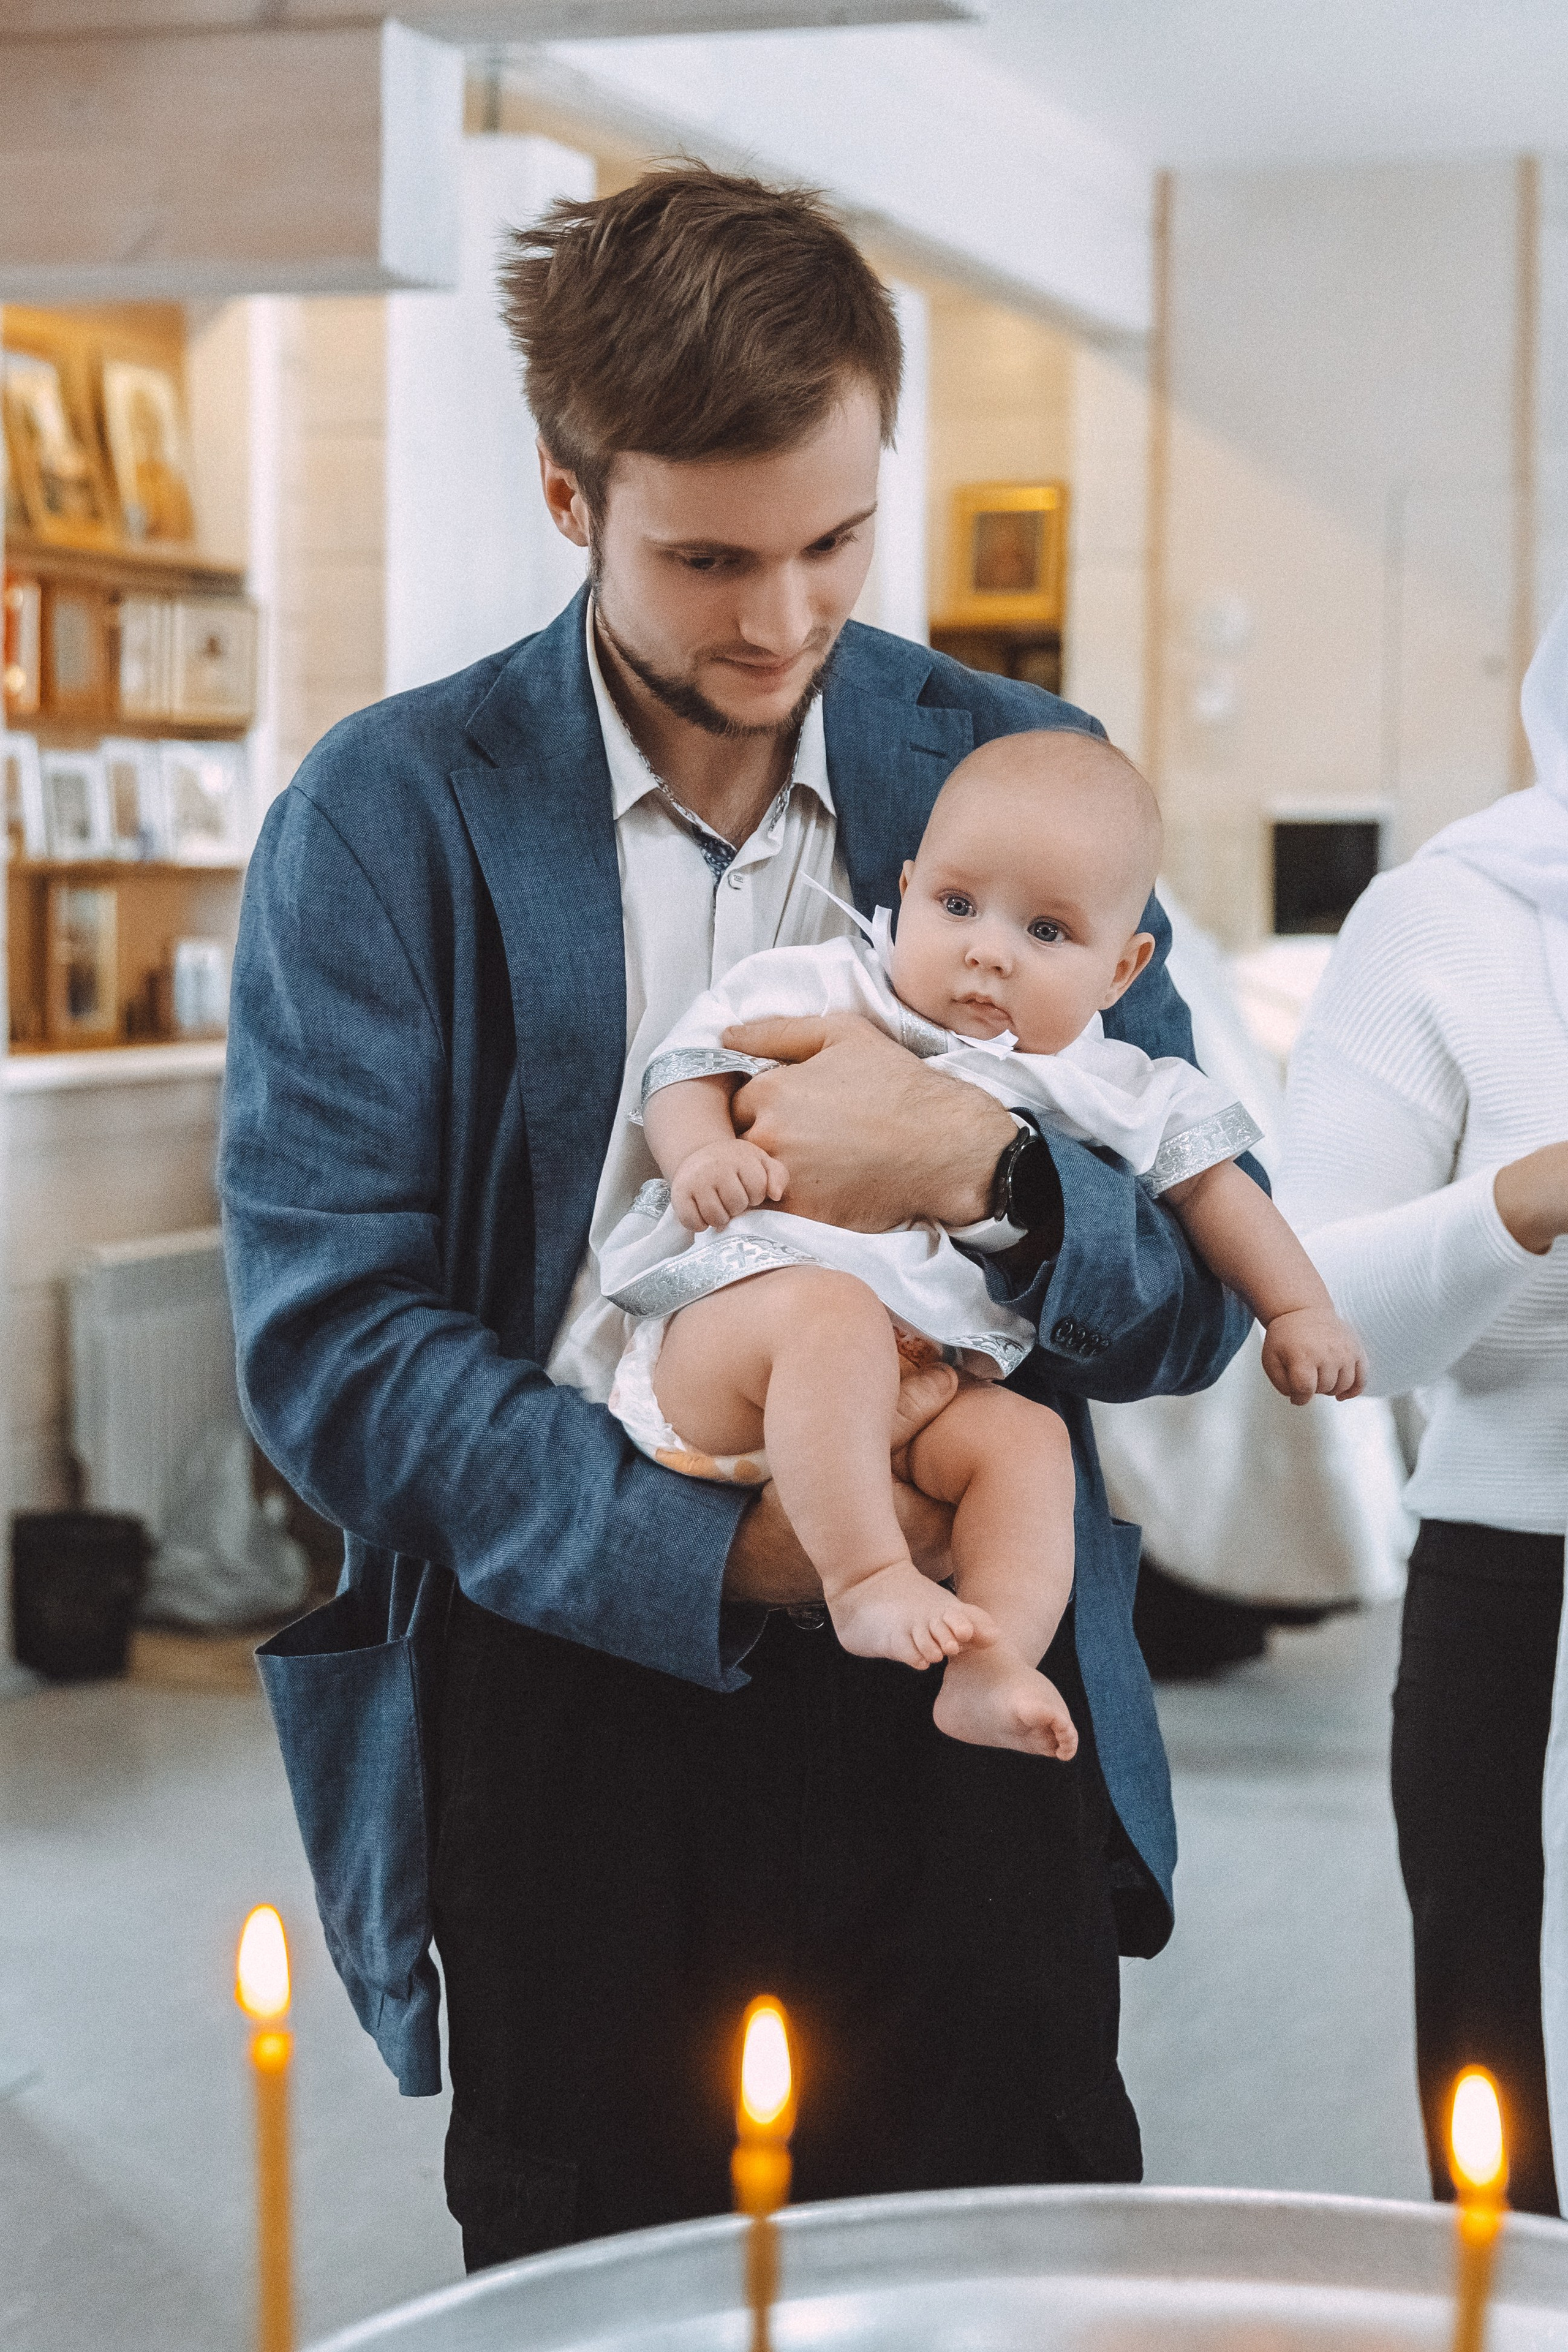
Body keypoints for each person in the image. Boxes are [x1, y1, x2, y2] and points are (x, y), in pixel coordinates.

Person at [221, 165, 1263, 2264]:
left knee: (1015, 2268)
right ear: (563, 491)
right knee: (601, 2268)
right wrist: (741, 1549)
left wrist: (979, 1173)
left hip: (976, 1675)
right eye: (706, 557)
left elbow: (1194, 1303)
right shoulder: (387, 813)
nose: (783, 621)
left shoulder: (1027, 778)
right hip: (571, 1681)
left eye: (835, 542)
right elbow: (335, 1345)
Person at [594, 729, 1363, 1757]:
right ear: (906, 891)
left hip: (916, 1400)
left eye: (1046, 931)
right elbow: (687, 1066)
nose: (987, 950)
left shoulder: (1116, 1084)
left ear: (1122, 967)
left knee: (1026, 1444)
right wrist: (698, 1160)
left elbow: (1220, 1193)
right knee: (830, 1318)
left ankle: (993, 1666)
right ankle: (868, 1580)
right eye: (956, 907)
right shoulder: (835, 984)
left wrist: (1296, 1307)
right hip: (737, 1353)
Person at [1282, 597, 1568, 2215]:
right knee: (1500, 2145)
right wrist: (1522, 1202)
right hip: (1516, 1570)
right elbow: (1322, 1314)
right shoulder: (1451, 917)